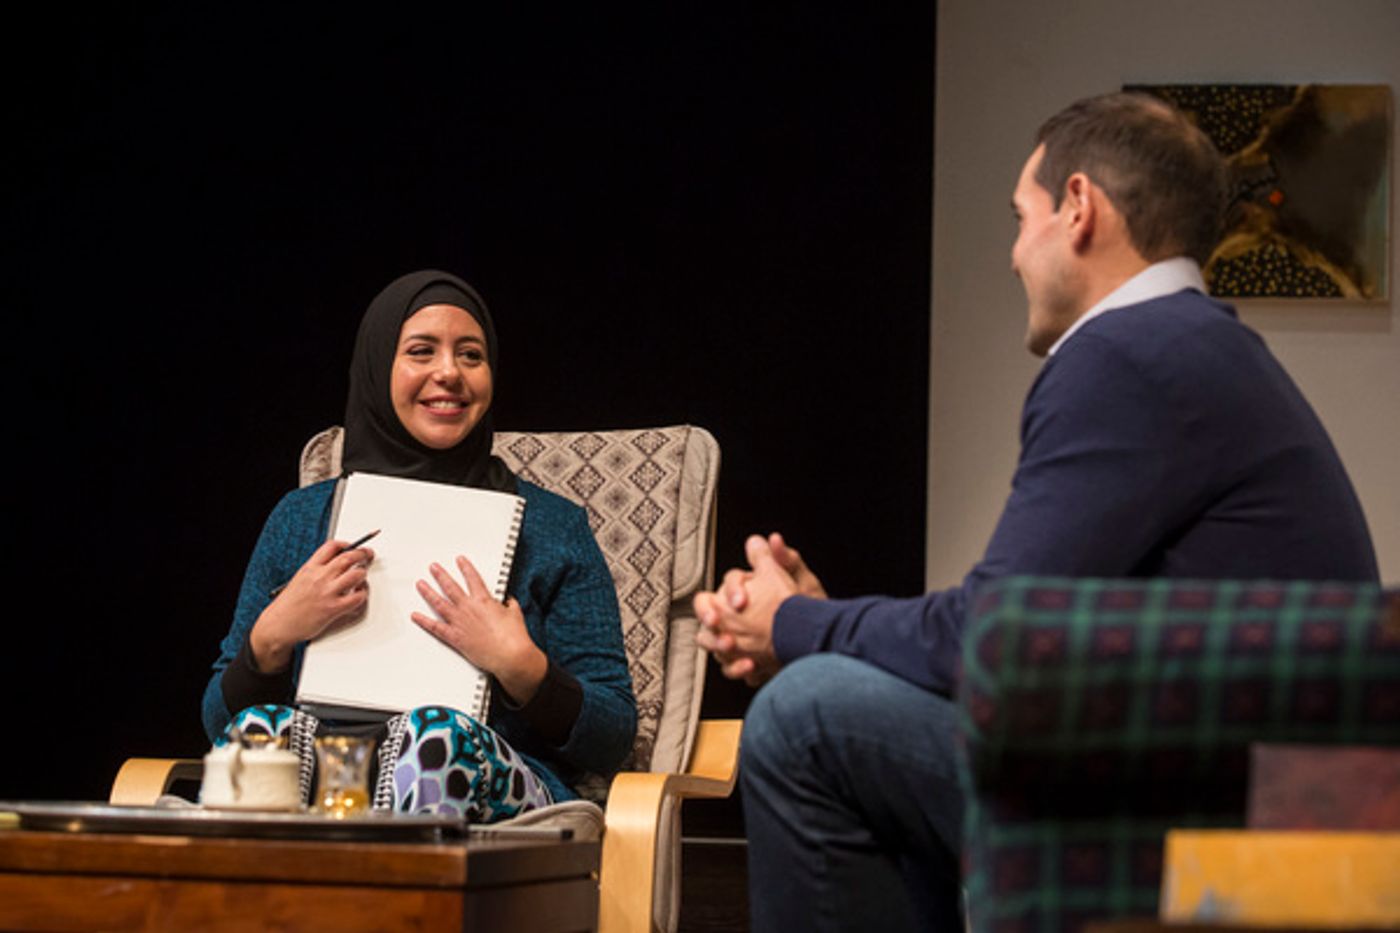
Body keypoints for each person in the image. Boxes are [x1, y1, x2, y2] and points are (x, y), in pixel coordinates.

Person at [695, 93, 1379, 932]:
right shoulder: (1200, 349)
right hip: (1267, 799)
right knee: (848, 699)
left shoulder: (1126, 355)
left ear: (1080, 209)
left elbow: (986, 640)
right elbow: (1018, 639)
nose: (1016, 255)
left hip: (1217, 817)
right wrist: (821, 623)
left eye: (1023, 218)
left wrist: (796, 624)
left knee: (809, 717)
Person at [202, 269, 636, 820]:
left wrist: (522, 667)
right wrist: (270, 638)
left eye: (471, 355)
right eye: (422, 352)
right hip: (338, 780)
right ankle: (268, 906)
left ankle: (404, 906)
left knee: (433, 736)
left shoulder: (553, 527)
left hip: (486, 779)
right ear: (380, 366)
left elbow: (614, 736)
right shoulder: (301, 518)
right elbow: (220, 726)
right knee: (258, 734)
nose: (449, 373)